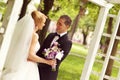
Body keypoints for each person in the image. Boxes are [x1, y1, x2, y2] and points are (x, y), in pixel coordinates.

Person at [1, 11, 55, 80]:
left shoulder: (25, 34)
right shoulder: (34, 36)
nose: (44, 24)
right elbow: (30, 56)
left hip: (18, 64)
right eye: (43, 22)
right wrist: (47, 62)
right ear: (38, 22)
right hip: (27, 67)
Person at [37, 15, 72, 80]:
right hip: (37, 69)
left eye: (60, 24)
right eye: (57, 23)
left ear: (67, 26)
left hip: (49, 74)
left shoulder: (67, 42)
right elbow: (40, 51)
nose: (57, 25)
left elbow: (57, 61)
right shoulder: (50, 35)